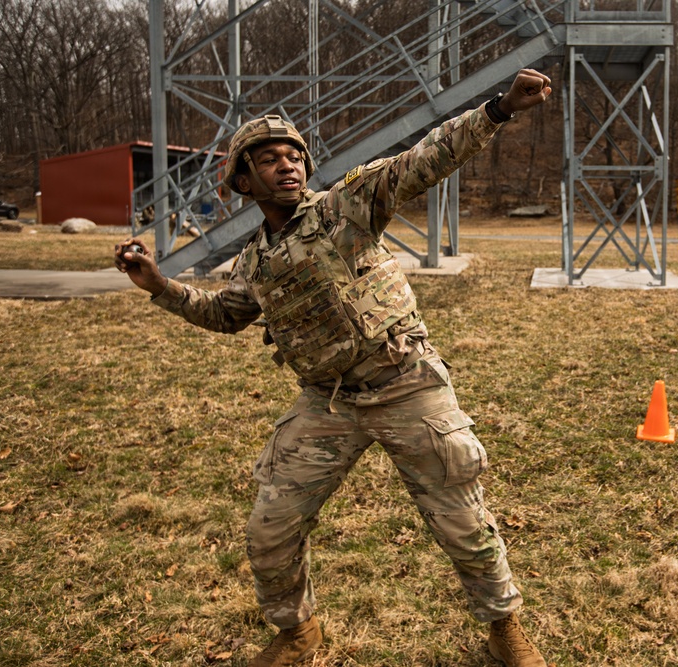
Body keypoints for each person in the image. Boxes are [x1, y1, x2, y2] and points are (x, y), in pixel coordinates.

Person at [115, 68, 552, 667]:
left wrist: (498, 110)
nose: (287, 166)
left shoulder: (347, 206)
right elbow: (225, 314)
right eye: (268, 160)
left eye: (294, 156)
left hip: (406, 385)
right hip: (328, 402)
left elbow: (424, 160)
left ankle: (505, 628)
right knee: (269, 530)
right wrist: (160, 286)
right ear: (244, 181)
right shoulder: (255, 262)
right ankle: (298, 633)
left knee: (464, 526)